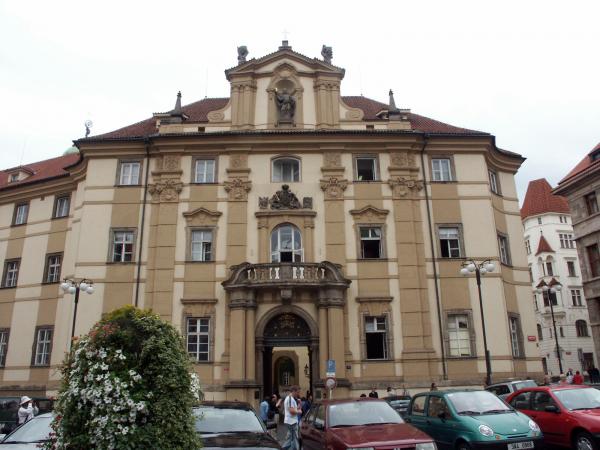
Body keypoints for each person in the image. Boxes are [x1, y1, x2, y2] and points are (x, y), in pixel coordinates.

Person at [281, 386, 300, 450]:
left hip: (291, 421)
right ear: (294, 391)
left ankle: (284, 448)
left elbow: (295, 409)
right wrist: (299, 412)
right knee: (294, 438)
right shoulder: (290, 399)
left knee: (290, 438)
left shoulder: (290, 399)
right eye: (297, 392)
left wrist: (299, 403)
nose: (298, 394)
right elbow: (291, 411)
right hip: (292, 422)